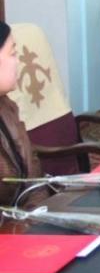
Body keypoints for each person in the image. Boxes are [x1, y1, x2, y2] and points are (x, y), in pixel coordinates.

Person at [0, 22, 47, 208]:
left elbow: (33, 176)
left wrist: (36, 216)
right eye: (12, 53)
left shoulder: (7, 106)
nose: (18, 61)